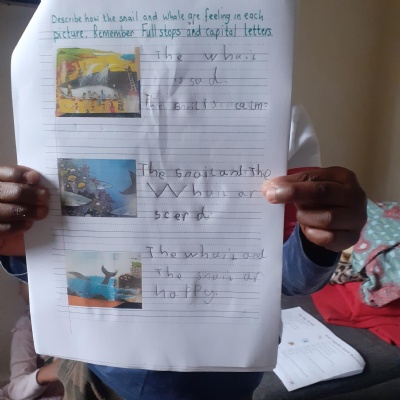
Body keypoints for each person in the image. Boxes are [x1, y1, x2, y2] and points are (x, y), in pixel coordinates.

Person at [0, 106, 367, 400]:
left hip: (227, 377)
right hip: (102, 369)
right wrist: (16, 244)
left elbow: (289, 277)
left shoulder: (276, 113)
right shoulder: (68, 117)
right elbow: (73, 266)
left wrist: (319, 240)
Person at [0, 279, 64, 400]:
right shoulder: (26, 329)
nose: (19, 291)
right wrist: (48, 373)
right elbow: (16, 390)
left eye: (21, 281)